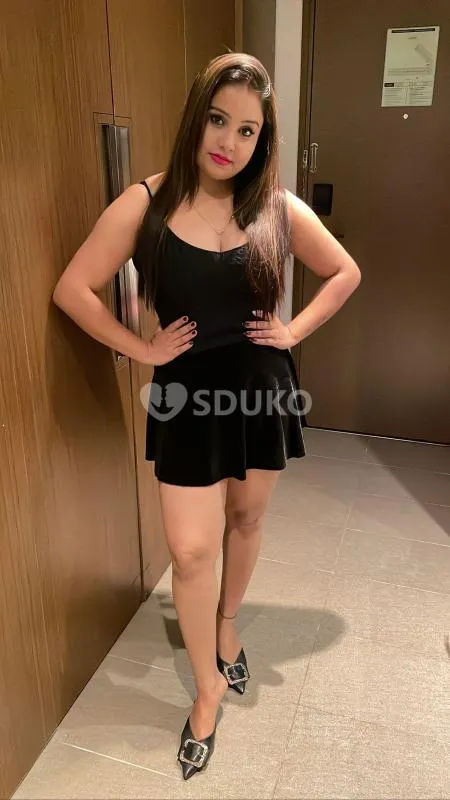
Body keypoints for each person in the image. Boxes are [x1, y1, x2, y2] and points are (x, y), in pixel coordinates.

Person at [53, 52, 361, 780]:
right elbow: (74, 288)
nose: (229, 141)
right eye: (219, 120)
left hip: (259, 392)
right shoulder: (147, 203)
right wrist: (142, 349)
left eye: (248, 130)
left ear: (262, 140)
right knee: (191, 552)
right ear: (197, 116)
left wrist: (292, 330)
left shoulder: (276, 206)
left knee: (246, 521)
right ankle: (206, 688)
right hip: (187, 399)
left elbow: (344, 272)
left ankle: (226, 627)